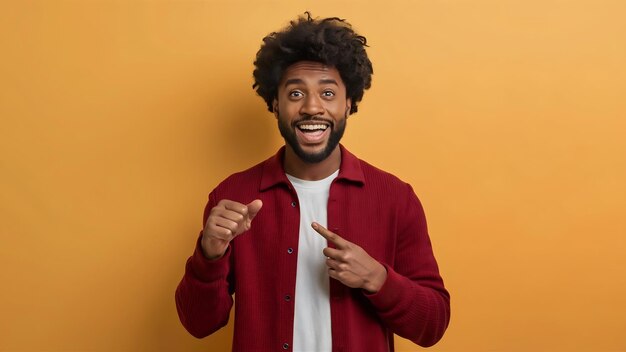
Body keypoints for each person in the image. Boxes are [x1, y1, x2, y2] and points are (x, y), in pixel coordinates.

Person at [175, 12, 450, 352]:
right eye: (295, 94)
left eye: (328, 93)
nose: (312, 108)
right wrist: (209, 255)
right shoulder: (233, 196)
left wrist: (377, 278)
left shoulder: (395, 197)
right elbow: (199, 325)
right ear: (275, 104)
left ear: (349, 103)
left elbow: (433, 325)